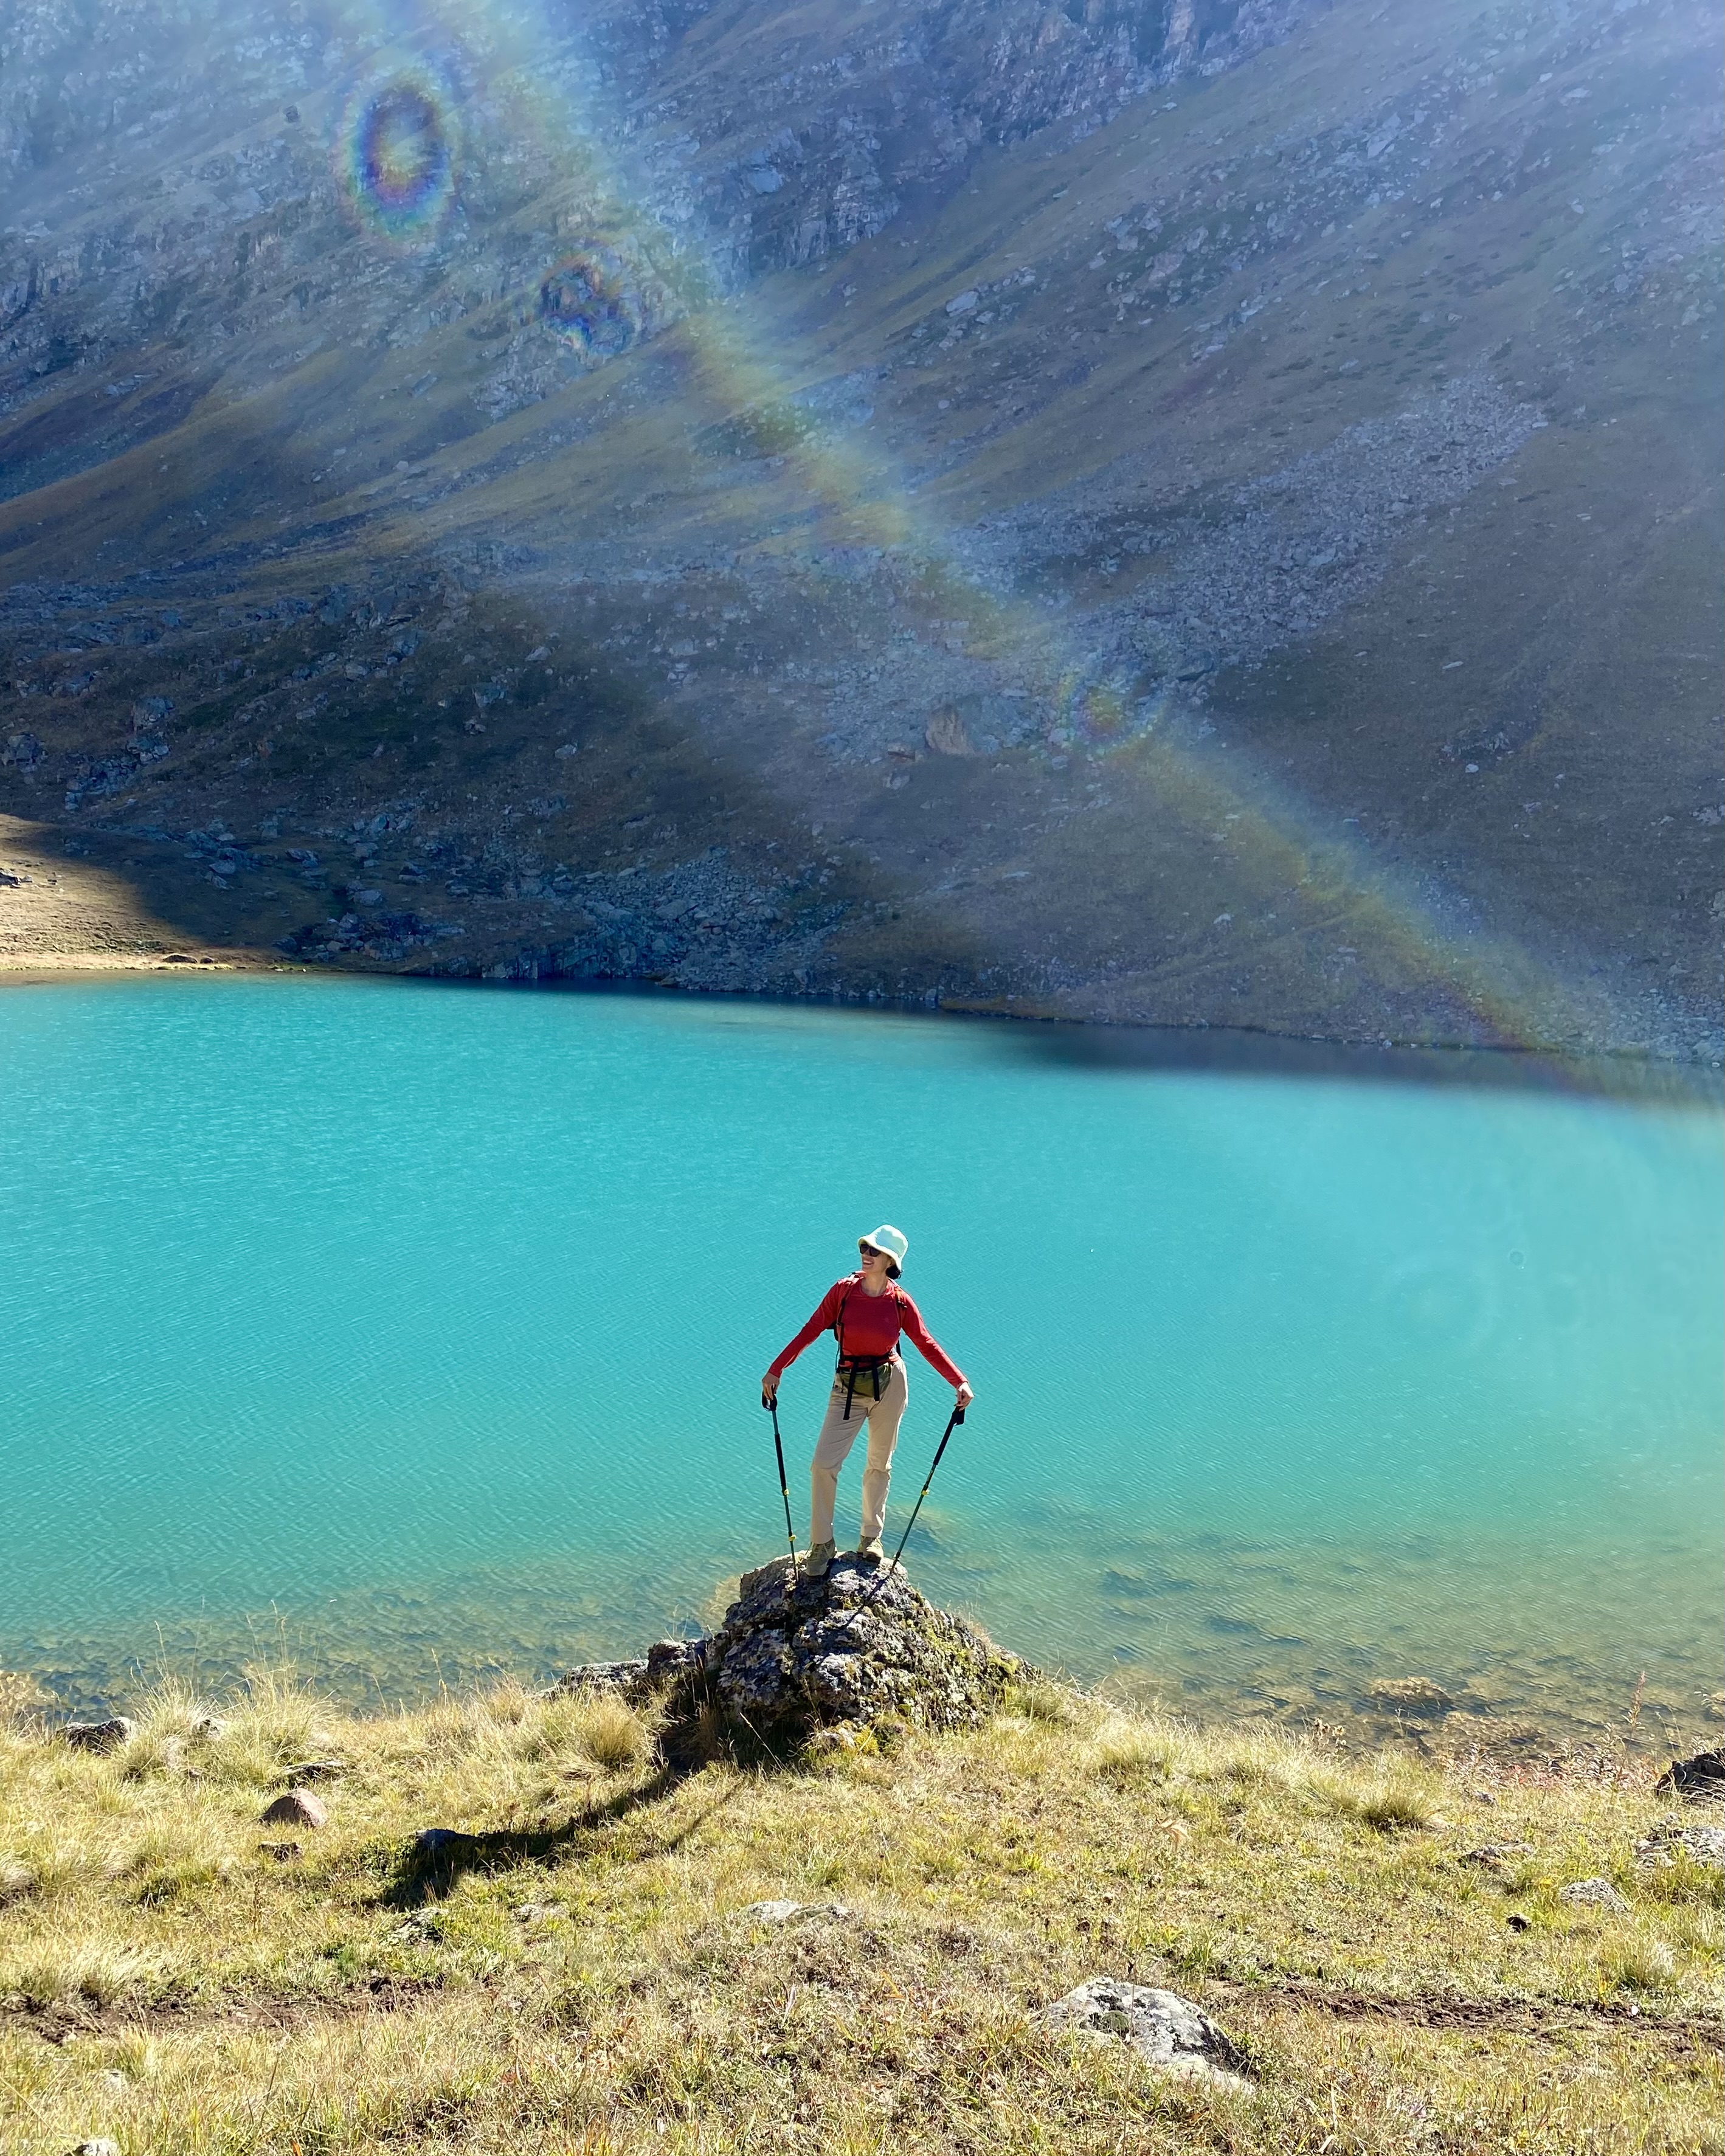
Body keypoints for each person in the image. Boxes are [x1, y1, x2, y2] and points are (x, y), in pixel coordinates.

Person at [761, 1224, 973, 1578]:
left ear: (891, 1260)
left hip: (890, 1384)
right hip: (846, 1387)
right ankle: (821, 1543)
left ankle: (871, 1538)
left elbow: (926, 1343)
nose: (866, 1253)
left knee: (879, 1464)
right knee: (822, 1465)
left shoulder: (900, 1302)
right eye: (865, 1247)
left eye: (874, 1250)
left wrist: (960, 1382)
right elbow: (810, 1330)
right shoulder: (843, 1293)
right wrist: (776, 1370)